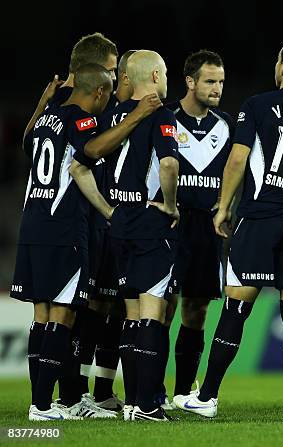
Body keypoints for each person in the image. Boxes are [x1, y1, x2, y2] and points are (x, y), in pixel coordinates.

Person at [173, 37, 283, 424]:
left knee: (236, 307)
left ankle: (208, 396)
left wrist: (223, 207)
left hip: (260, 219)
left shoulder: (258, 105)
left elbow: (237, 159)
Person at [11, 63, 114, 421]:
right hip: (63, 227)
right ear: (98, 92)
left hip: (32, 225)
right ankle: (41, 405)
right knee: (63, 314)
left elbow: (26, 144)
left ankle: (41, 402)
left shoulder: (45, 119)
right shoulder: (83, 122)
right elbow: (86, 159)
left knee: (41, 316)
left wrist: (43, 101)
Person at [84, 50, 179, 422]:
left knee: (132, 316)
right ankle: (148, 405)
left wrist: (109, 210)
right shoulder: (161, 115)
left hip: (119, 224)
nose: (167, 77)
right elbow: (169, 164)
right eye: (166, 71)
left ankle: (133, 403)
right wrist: (170, 204)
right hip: (149, 223)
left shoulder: (112, 116)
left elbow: (83, 164)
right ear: (155, 75)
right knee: (153, 313)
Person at [160, 50, 233, 408]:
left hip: (206, 226)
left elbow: (239, 172)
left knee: (197, 309)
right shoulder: (166, 119)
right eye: (210, 80)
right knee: (161, 306)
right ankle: (152, 391)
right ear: (189, 82)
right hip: (172, 222)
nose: (217, 87)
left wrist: (228, 203)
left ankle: (183, 392)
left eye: (220, 81)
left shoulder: (227, 125)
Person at [79, 49, 138, 412]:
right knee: (93, 310)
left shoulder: (120, 116)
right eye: (113, 71)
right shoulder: (95, 119)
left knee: (113, 310)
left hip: (115, 228)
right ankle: (77, 392)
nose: (115, 79)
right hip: (95, 226)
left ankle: (100, 392)